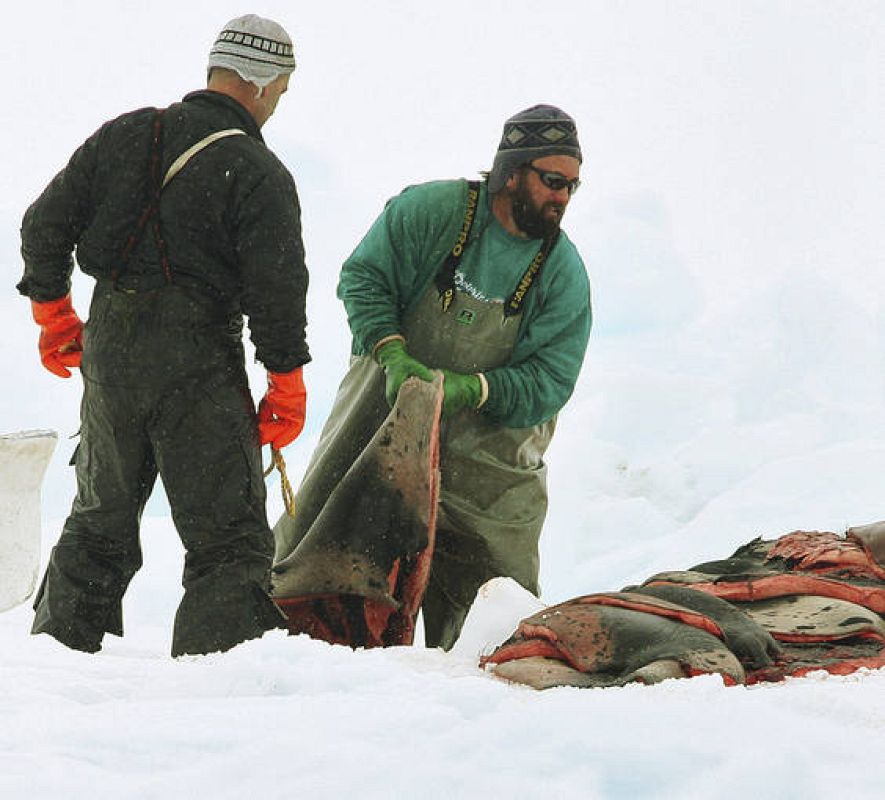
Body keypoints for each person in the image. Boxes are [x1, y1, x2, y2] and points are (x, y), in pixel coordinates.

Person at [17, 14, 310, 657]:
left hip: (111, 345)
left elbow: (43, 226)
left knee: (98, 525)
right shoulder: (257, 171)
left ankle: (56, 669)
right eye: (281, 93)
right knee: (229, 541)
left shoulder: (126, 134)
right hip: (197, 355)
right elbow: (277, 290)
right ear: (265, 86)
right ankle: (218, 682)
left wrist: (55, 316)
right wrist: (286, 383)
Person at [273, 104, 591, 650]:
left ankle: (475, 720)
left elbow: (551, 380)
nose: (562, 197)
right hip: (379, 430)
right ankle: (302, 690)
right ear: (511, 172)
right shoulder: (429, 212)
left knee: (493, 622)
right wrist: (393, 353)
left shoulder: (562, 273)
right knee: (321, 582)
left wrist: (476, 389)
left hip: (489, 467)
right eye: (553, 181)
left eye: (572, 186)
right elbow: (364, 278)